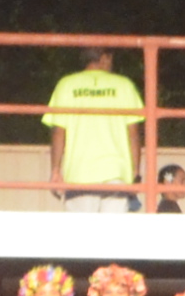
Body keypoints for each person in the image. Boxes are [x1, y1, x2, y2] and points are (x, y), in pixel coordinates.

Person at [43, 47, 146, 211]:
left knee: (83, 234)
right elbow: (133, 134)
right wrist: (135, 172)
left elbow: (58, 132)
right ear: (104, 58)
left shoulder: (66, 85)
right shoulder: (124, 86)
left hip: (79, 175)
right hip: (116, 173)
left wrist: (55, 170)